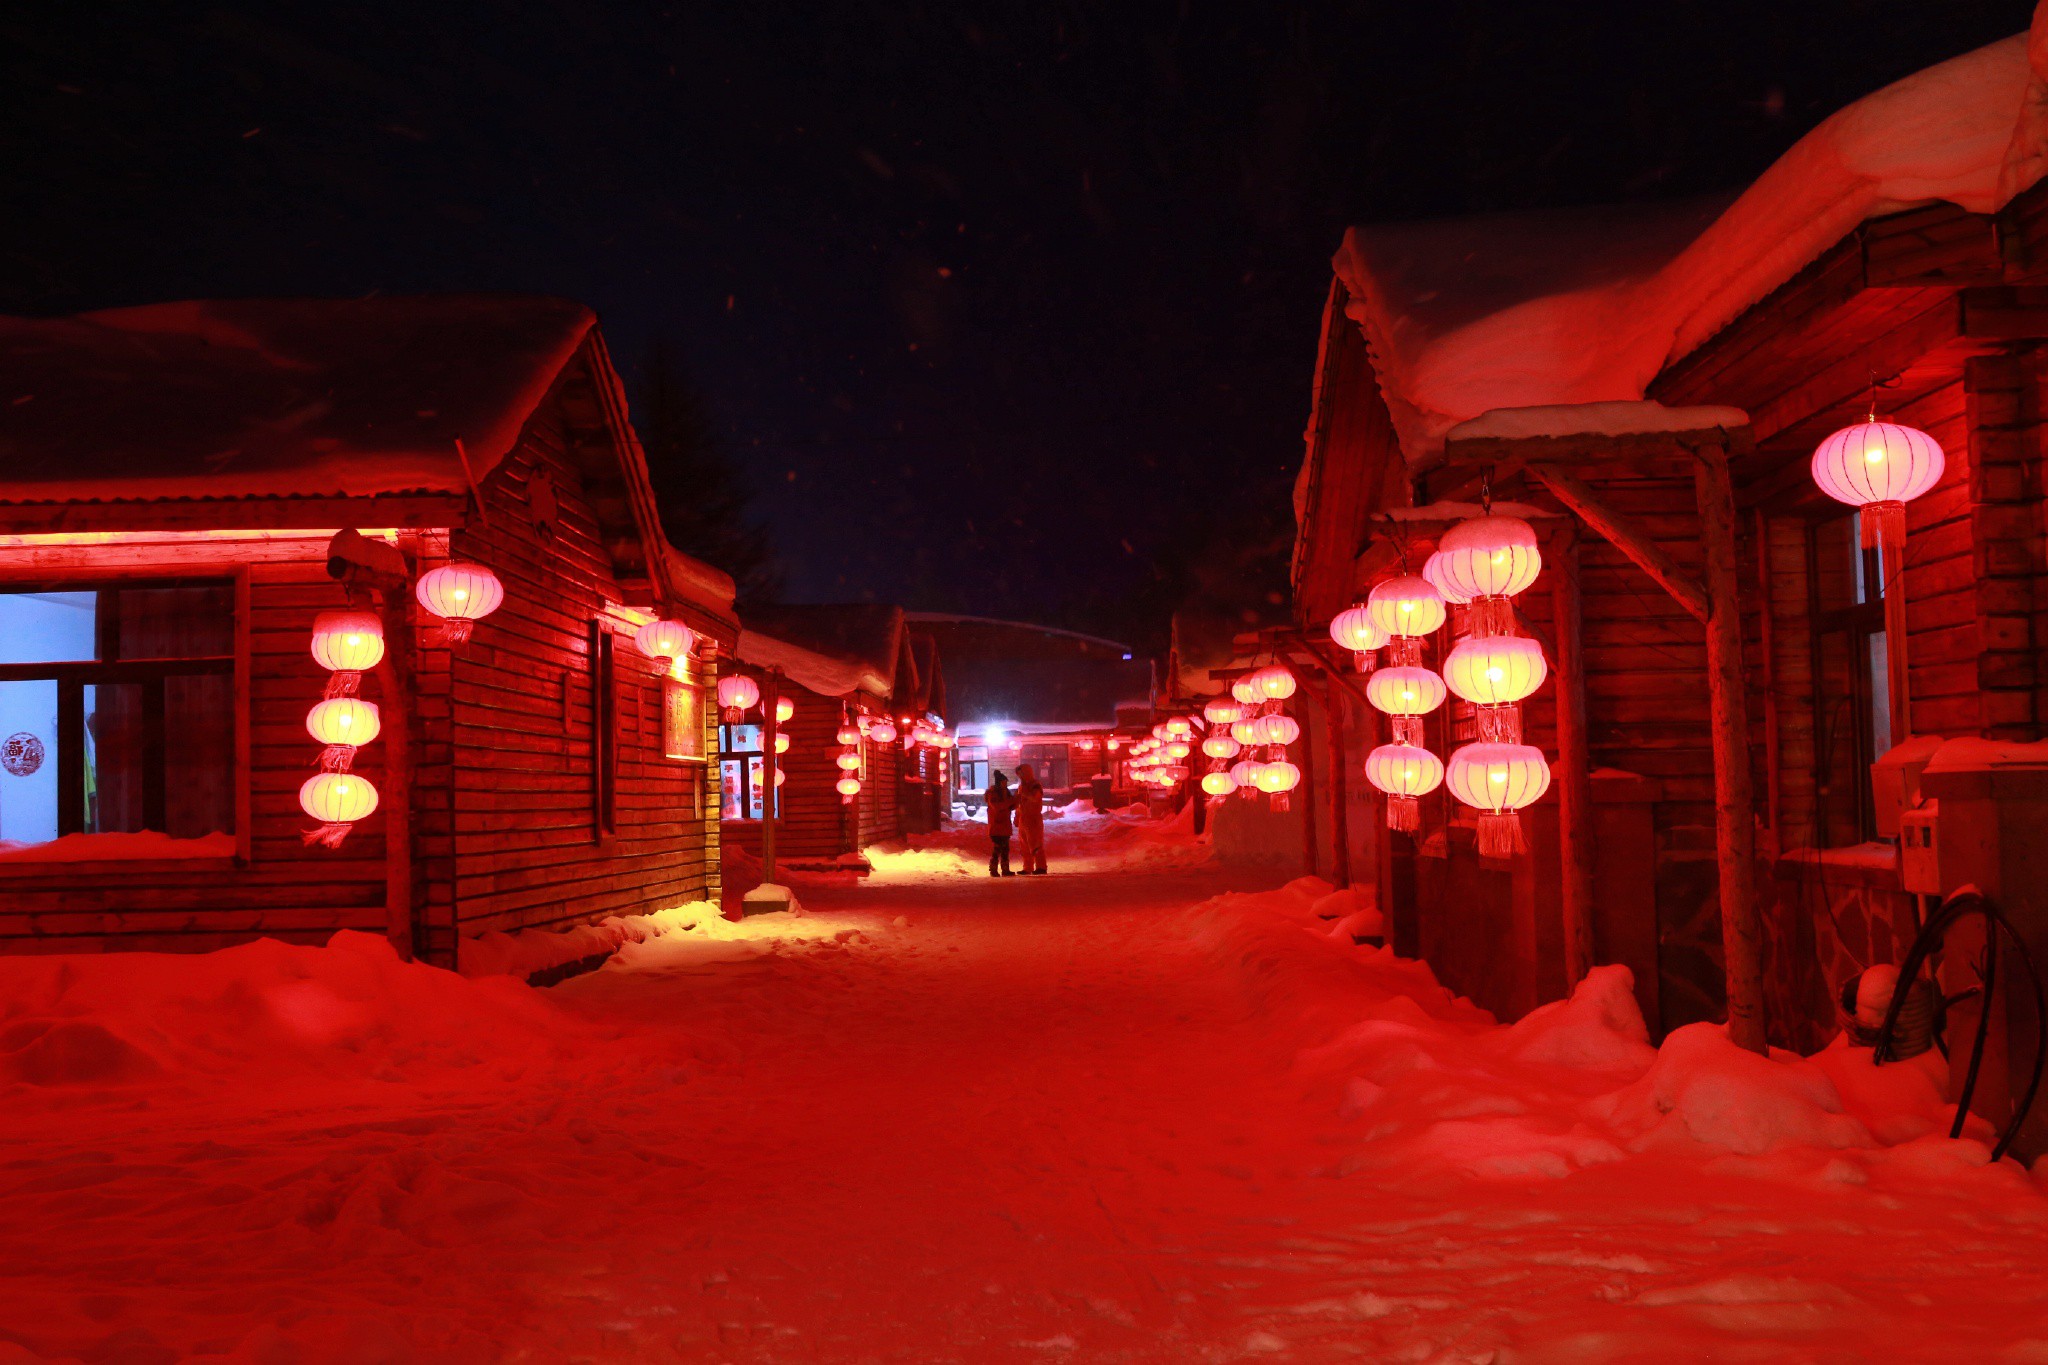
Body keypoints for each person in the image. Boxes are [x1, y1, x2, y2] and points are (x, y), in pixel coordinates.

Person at [1014, 763, 1047, 875]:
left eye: (1021, 774)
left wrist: (1025, 794)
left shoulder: (1035, 785)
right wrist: (1017, 816)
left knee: (1035, 842)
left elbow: (1035, 798)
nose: (1020, 776)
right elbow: (1019, 803)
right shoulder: (1021, 786)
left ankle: (1041, 866)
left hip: (1033, 818)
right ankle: (1027, 867)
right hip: (1024, 818)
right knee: (1024, 844)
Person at [985, 770, 1016, 877]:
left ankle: (1005, 869)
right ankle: (993, 869)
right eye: (1003, 782)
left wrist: (1015, 802)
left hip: (1005, 824)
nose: (1005, 784)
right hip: (996, 824)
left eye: (1005, 782)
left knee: (1005, 848)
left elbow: (1010, 806)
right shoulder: (993, 794)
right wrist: (1011, 802)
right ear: (999, 782)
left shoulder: (1006, 792)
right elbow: (997, 807)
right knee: (997, 848)